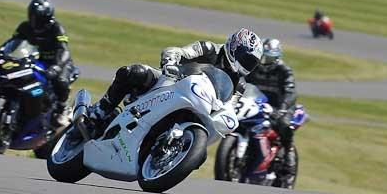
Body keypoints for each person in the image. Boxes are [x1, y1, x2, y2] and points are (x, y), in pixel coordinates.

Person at [89, 28, 263, 132]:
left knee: (199, 157)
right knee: (133, 72)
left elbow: (229, 107)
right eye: (246, 59)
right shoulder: (209, 49)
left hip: (200, 109)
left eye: (252, 63)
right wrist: (170, 63)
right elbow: (177, 51)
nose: (247, 66)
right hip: (171, 82)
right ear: (234, 48)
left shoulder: (239, 85)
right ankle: (101, 110)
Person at [14, 0, 77, 127]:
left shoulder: (56, 28)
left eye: (37, 18)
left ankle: (63, 109)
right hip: (37, 62)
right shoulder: (25, 27)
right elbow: (14, 44)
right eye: (32, 16)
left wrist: (57, 67)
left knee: (60, 81)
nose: (34, 21)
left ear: (47, 17)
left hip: (59, 62)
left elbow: (64, 49)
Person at [249, 37, 297, 188]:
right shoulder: (254, 68)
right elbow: (243, 83)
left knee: (285, 125)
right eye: (262, 56)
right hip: (257, 105)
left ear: (276, 57)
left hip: (280, 108)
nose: (263, 60)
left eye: (267, 57)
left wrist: (282, 109)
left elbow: (291, 92)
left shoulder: (284, 71)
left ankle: (289, 157)